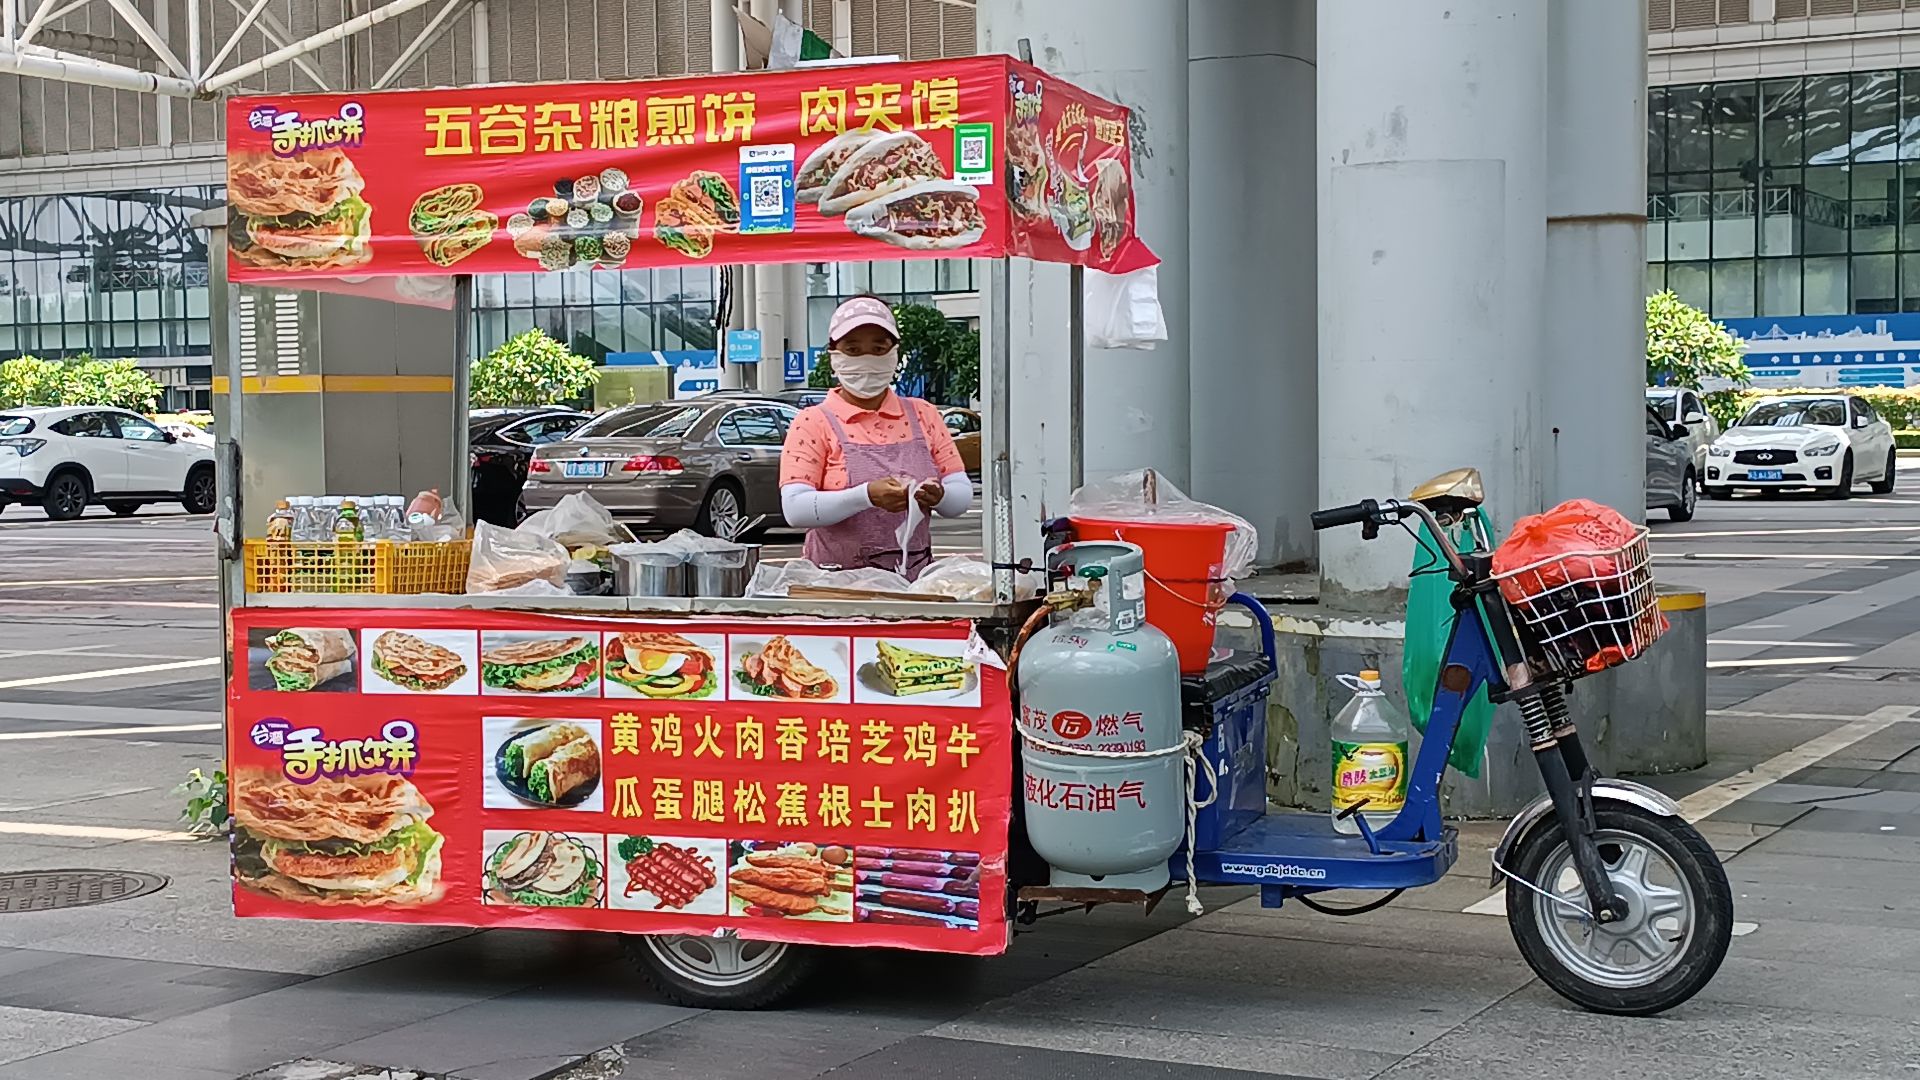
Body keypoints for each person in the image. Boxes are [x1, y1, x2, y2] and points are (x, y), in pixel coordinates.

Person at [779, 296, 973, 580]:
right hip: (835, 589)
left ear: (895, 353)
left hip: (914, 586)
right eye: (853, 349)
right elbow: (796, 509)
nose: (866, 359)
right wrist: (866, 496)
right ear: (834, 355)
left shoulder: (924, 415)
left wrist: (939, 496)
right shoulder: (812, 422)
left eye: (879, 348)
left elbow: (959, 494)